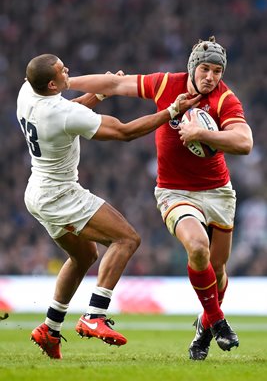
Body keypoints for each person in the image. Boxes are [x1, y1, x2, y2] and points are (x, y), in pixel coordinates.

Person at [69, 36, 253, 360]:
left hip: (218, 193)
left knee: (219, 269)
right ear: (193, 67)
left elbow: (244, 141)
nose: (210, 76)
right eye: (205, 69)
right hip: (174, 191)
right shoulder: (167, 83)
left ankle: (204, 325)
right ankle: (218, 320)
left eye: (217, 71)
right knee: (198, 248)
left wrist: (202, 134)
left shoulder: (226, 99)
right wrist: (66, 81)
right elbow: (115, 83)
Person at [16, 54, 201, 360]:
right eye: (63, 71)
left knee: (84, 255)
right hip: (60, 194)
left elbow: (68, 110)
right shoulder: (59, 111)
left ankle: (50, 328)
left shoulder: (28, 92)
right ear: (51, 84)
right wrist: (171, 110)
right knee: (127, 239)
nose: (68, 71)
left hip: (36, 191)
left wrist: (98, 94)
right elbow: (124, 132)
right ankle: (95, 315)